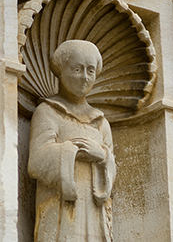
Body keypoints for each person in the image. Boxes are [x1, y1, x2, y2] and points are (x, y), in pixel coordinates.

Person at [28, 40, 116, 242]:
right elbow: (36, 161)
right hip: (60, 210)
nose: (85, 77)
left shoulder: (101, 121)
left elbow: (112, 169)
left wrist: (102, 156)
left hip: (96, 213)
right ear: (61, 70)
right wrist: (72, 151)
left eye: (90, 71)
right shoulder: (48, 112)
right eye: (77, 69)